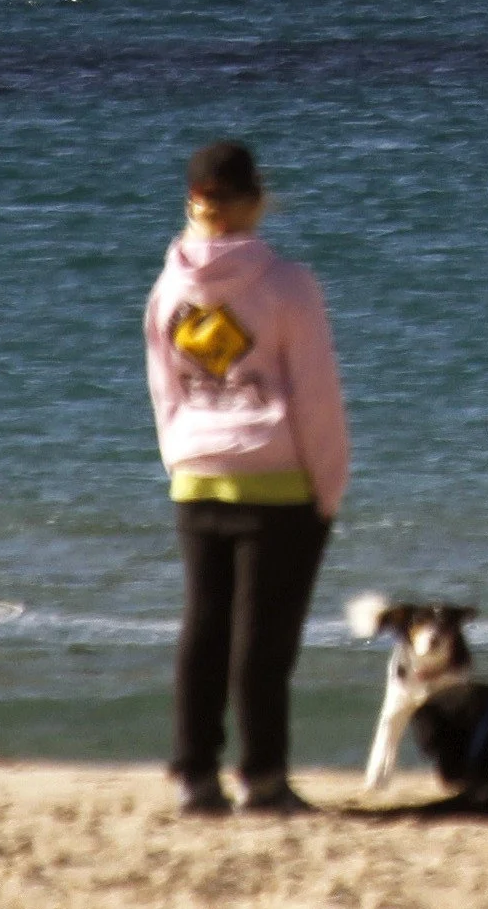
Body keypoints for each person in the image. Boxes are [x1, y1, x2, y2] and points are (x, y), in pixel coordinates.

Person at [144, 137, 350, 815]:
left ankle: (192, 774)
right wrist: (329, 486)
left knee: (203, 629)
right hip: (276, 481)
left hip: (197, 473)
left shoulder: (169, 285)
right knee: (264, 641)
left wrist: (181, 456)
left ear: (193, 202)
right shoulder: (288, 284)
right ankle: (262, 778)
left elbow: (163, 388)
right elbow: (316, 395)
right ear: (256, 198)